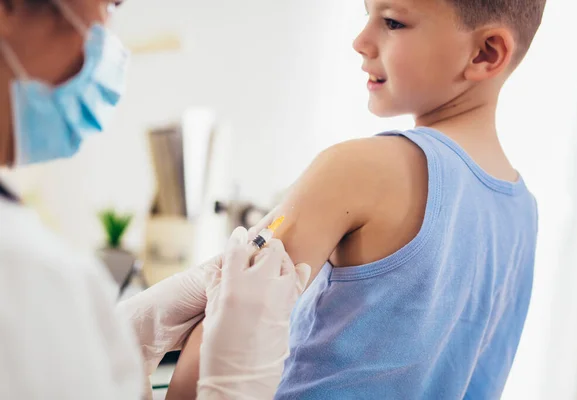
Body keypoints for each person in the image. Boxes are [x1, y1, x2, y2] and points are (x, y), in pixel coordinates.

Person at [171, 0, 543, 398]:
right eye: (366, 15)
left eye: (393, 22)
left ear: (486, 53)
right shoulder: (523, 211)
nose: (360, 41)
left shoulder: (358, 169)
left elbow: (223, 332)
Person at [0, 0, 310, 398]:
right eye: (110, 4)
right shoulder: (25, 270)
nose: (110, 37)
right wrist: (232, 386)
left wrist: (118, 333)